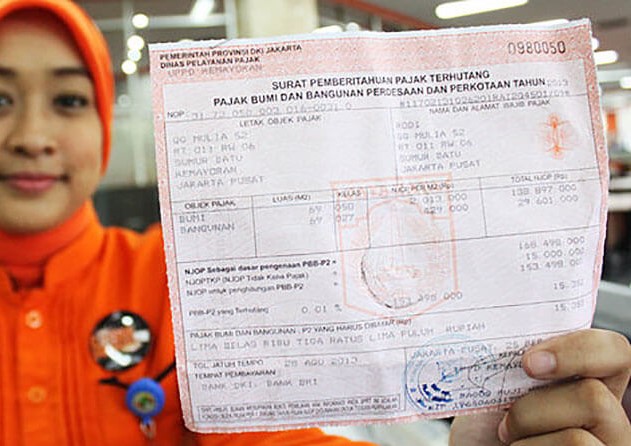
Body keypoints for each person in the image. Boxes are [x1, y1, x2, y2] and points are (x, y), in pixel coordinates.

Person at [0, 0, 628, 445]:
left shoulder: (175, 281)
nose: (31, 137)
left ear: (103, 124)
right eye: (0, 98)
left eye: (69, 100)